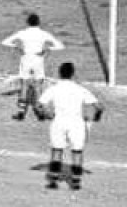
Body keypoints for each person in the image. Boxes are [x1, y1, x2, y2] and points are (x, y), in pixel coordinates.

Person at [36, 62, 103, 191]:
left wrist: (46, 114)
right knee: (77, 152)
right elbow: (99, 106)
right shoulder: (80, 89)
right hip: (76, 123)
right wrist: (97, 116)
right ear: (73, 74)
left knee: (57, 150)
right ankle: (76, 182)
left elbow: (39, 105)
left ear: (59, 73)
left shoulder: (54, 88)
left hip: (59, 122)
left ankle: (53, 181)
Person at [2, 14, 65, 121]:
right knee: (38, 87)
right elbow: (60, 46)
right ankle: (40, 113)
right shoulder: (43, 34)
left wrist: (17, 47)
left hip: (26, 59)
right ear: (38, 22)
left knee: (24, 86)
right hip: (38, 60)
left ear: (28, 22)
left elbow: (5, 42)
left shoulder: (23, 33)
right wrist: (46, 49)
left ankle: (21, 113)